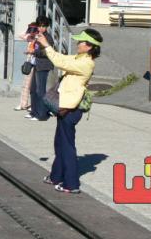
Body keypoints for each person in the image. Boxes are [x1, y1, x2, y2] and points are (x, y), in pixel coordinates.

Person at [34, 27, 103, 194]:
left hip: (71, 110)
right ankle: (56, 176)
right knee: (60, 143)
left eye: (81, 42)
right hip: (65, 107)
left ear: (89, 46)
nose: (78, 44)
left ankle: (71, 184)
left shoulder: (86, 63)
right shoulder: (79, 58)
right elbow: (62, 58)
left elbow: (61, 62)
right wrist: (46, 46)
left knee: (67, 146)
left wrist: (46, 45)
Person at [27, 16, 53, 121]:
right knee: (33, 89)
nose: (41, 28)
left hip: (43, 65)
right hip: (37, 64)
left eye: (44, 26)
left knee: (40, 91)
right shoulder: (38, 36)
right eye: (39, 26)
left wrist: (34, 52)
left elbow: (48, 51)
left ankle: (41, 115)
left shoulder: (47, 37)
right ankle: (34, 111)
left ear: (47, 26)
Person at [14, 22, 38, 111]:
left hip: (37, 64)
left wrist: (37, 33)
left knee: (34, 86)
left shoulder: (39, 39)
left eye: (33, 31)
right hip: (29, 63)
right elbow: (20, 35)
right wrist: (29, 29)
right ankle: (23, 104)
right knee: (26, 84)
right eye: (30, 31)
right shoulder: (30, 38)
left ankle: (33, 105)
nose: (31, 33)